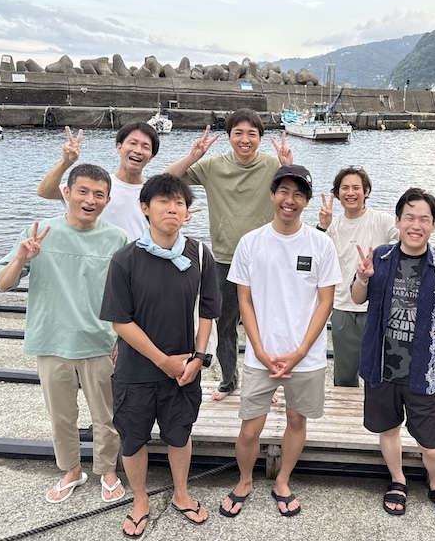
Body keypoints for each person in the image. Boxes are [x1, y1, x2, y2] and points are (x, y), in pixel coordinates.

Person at [0, 164, 129, 506]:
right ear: (66, 193)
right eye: (82, 191)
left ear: (108, 200)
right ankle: (71, 470)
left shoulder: (117, 239)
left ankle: (107, 470)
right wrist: (21, 258)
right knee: (61, 416)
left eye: (98, 194)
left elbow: (129, 294)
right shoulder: (41, 233)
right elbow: (2, 284)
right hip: (52, 339)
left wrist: (122, 337)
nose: (90, 200)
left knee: (106, 415)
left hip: (100, 341)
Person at [100, 173, 221, 538]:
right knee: (133, 437)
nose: (172, 209)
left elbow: (208, 312)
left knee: (179, 434)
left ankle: (181, 493)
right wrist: (161, 360)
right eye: (164, 202)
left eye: (179, 203)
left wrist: (198, 357)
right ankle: (140, 500)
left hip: (184, 369)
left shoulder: (200, 255)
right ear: (145, 209)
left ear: (187, 212)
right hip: (136, 370)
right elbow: (120, 321)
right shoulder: (125, 259)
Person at [218, 164, 341, 518]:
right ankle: (244, 480)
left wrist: (300, 351)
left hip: (307, 355)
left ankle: (283, 480)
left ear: (306, 201)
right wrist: (258, 349)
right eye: (284, 192)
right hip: (261, 354)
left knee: (297, 420)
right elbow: (244, 301)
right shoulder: (250, 242)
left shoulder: (321, 244)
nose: (290, 200)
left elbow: (326, 302)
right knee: (249, 428)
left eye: (299, 194)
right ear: (272, 195)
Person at [352, 187, 435, 522]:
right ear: (398, 221)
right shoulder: (380, 257)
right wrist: (362, 277)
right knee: (388, 429)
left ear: (433, 225)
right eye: (409, 217)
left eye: (424, 219)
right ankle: (398, 480)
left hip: (425, 369)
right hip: (382, 365)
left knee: (430, 443)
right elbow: (357, 298)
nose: (416, 225)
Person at [164, 108, 292, 401]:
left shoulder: (273, 166)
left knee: (267, 324)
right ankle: (229, 381)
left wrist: (288, 166)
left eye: (252, 134)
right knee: (224, 325)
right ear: (230, 136)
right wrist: (193, 156)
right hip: (224, 258)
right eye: (239, 133)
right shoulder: (213, 166)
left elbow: (295, 196)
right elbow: (166, 180)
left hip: (266, 259)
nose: (245, 139)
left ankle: (268, 384)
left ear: (260, 137)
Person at [316, 166, 398, 386]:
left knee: (380, 373)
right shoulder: (332, 225)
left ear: (366, 191)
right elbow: (313, 257)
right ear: (337, 193)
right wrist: (322, 226)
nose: (350, 193)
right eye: (344, 188)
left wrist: (414, 204)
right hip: (343, 306)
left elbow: (409, 237)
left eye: (356, 188)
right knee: (344, 375)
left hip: (377, 307)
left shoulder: (381, 220)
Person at [37, 122, 160, 239]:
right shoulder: (99, 186)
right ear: (119, 147)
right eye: (133, 143)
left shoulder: (154, 191)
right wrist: (66, 161)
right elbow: (45, 192)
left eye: (145, 147)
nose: (138, 150)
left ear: (151, 157)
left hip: (139, 253)